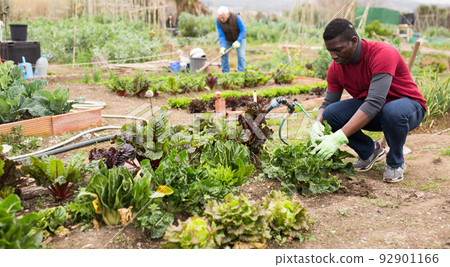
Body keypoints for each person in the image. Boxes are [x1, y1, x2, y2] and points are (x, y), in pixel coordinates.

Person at [310, 18, 426, 183]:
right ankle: (369, 151)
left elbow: (374, 103)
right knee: (330, 114)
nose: (333, 56)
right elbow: (327, 103)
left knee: (392, 111)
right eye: (329, 51)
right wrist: (317, 122)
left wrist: (338, 137)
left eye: (337, 50)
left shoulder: (382, 53)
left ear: (353, 41)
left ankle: (395, 161)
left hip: (408, 108)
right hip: (377, 112)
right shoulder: (336, 68)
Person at [216, 6, 246, 73]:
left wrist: (238, 41)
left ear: (228, 14)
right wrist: (222, 46)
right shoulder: (218, 21)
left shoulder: (236, 17)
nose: (221, 19)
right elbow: (221, 35)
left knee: (241, 55)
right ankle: (225, 73)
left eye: (223, 17)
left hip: (240, 38)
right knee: (223, 55)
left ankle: (241, 73)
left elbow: (243, 30)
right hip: (228, 39)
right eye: (220, 17)